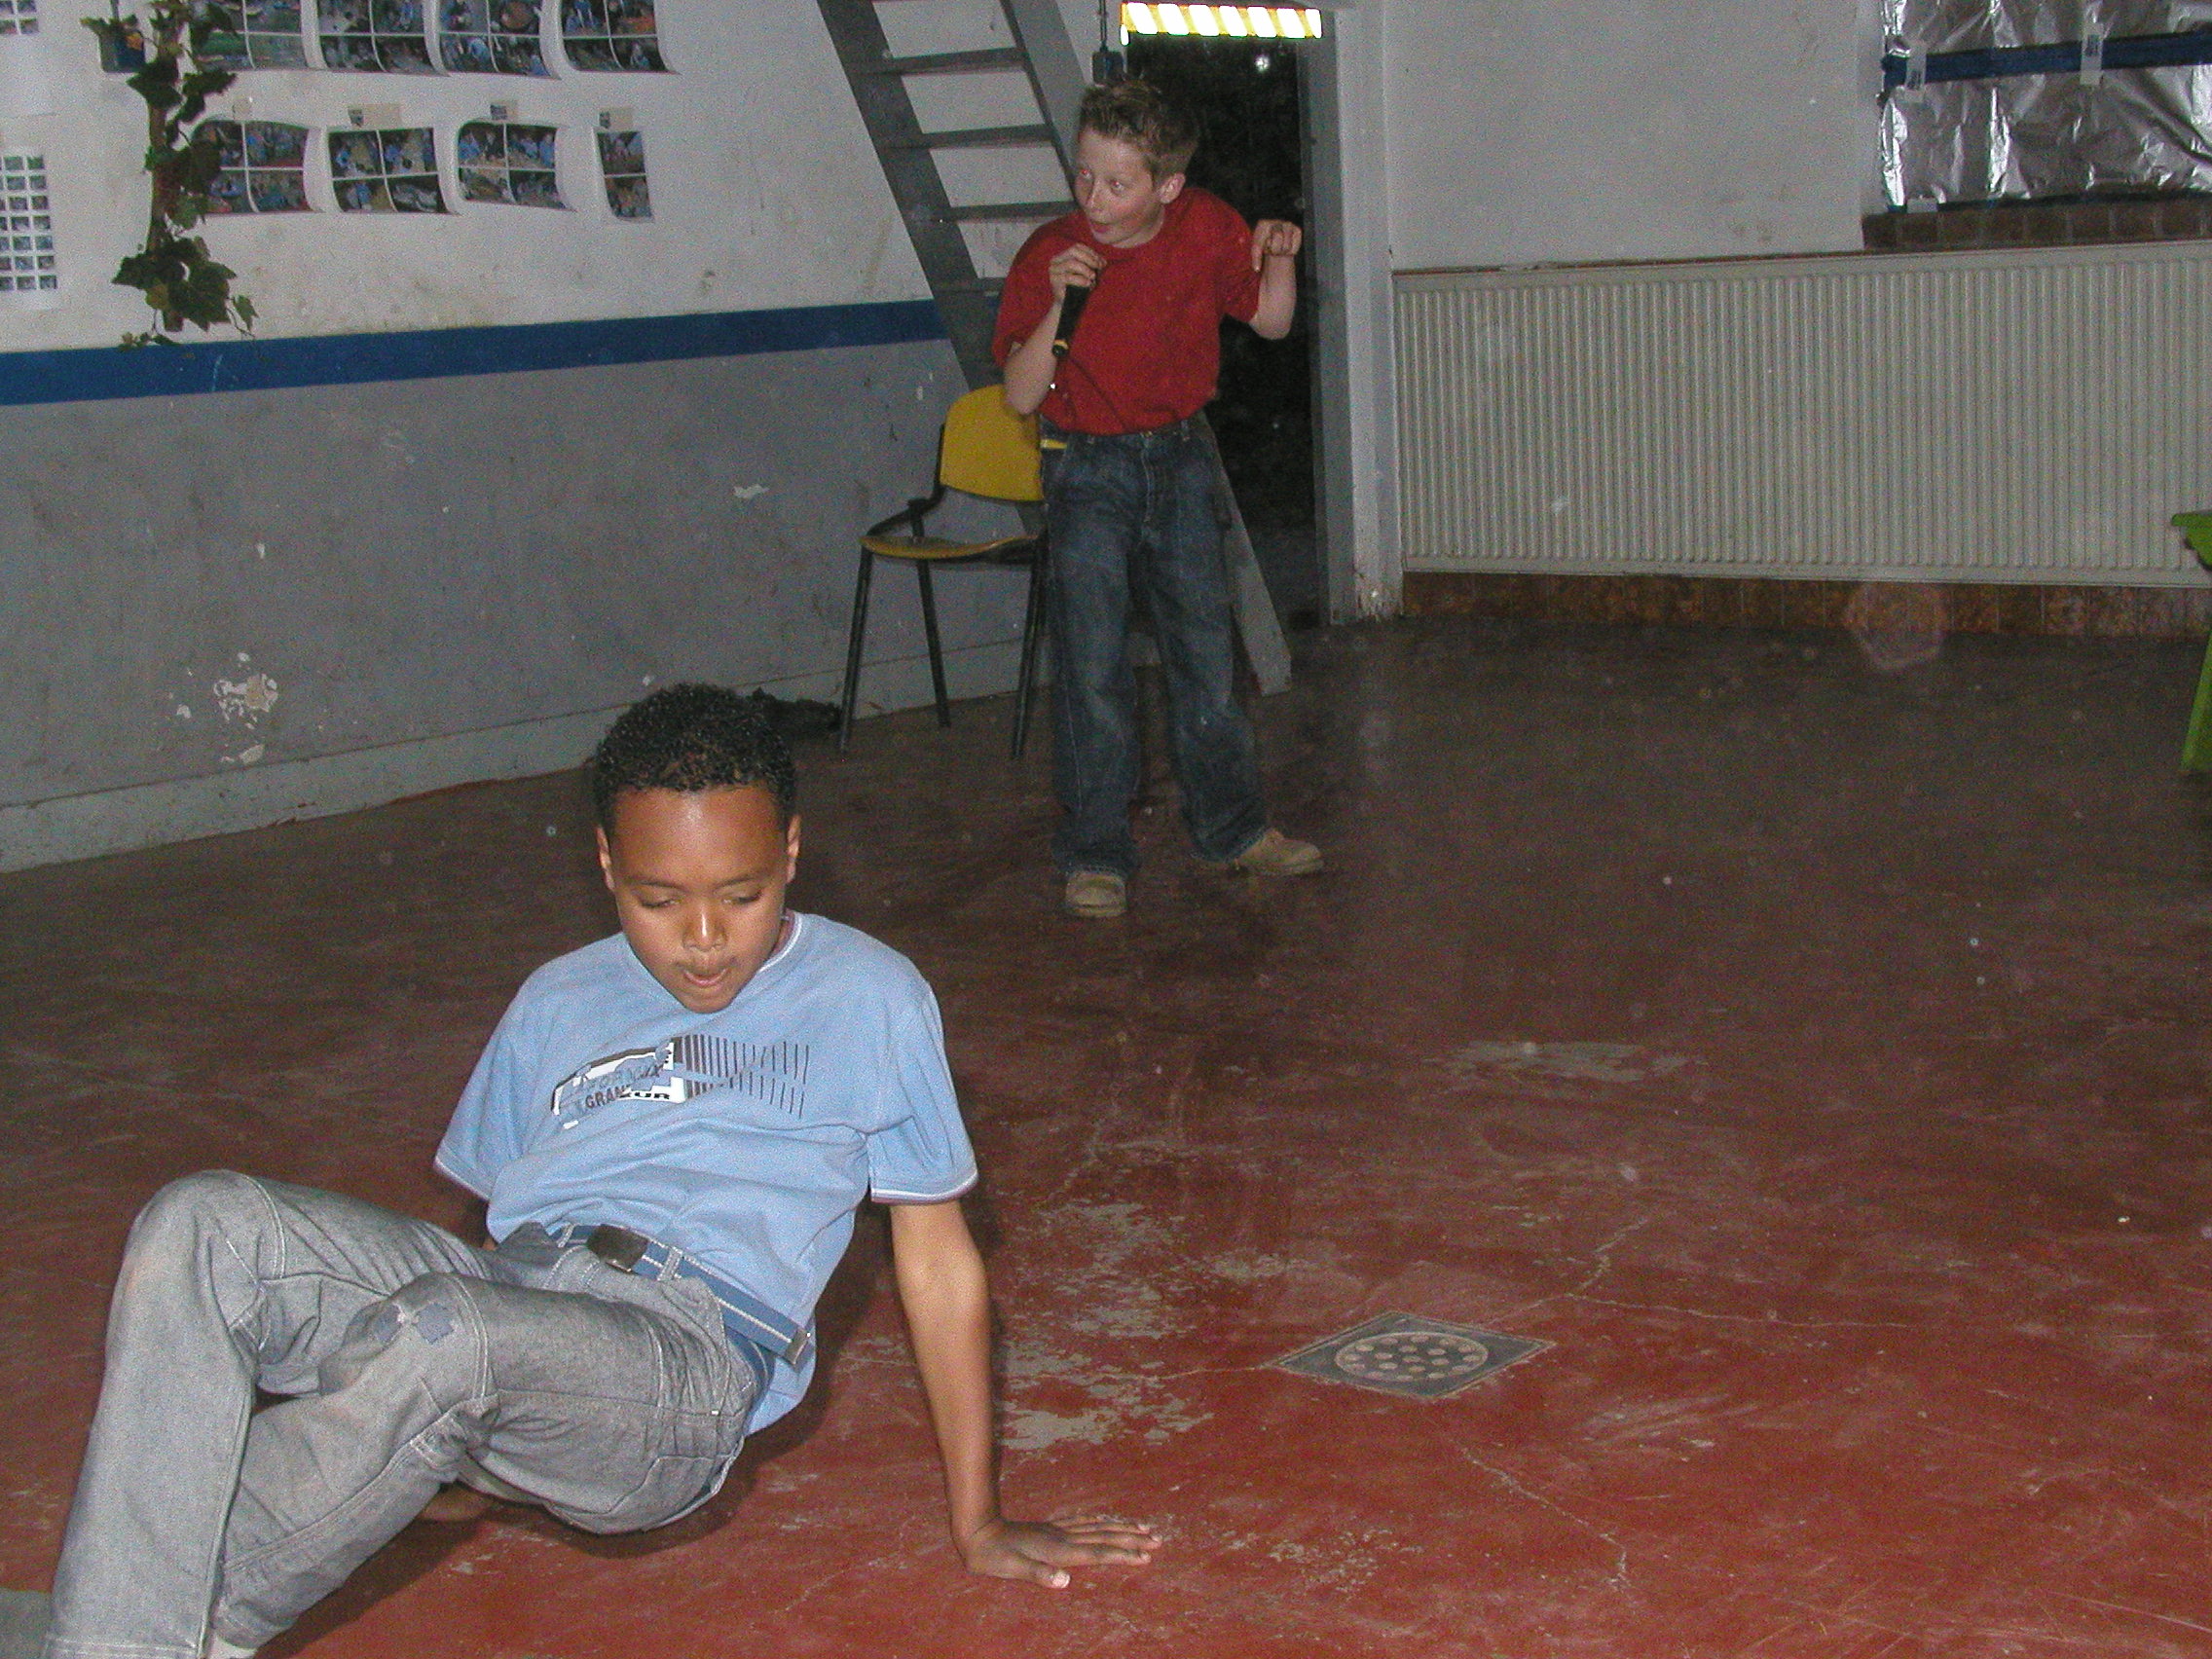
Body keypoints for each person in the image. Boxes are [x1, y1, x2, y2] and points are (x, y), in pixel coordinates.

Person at [39, 683, 1159, 1659]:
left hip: (684, 1359)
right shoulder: (556, 999)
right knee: (203, 1225)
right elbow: (488, 1239)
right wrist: (444, 1440)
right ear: (608, 866)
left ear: (791, 855)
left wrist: (978, 1520)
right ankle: (120, 1631)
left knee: (449, 1334)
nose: (704, 938)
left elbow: (939, 1262)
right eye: (658, 901)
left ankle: (136, 1637)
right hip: (521, 1299)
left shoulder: (870, 996)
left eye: (743, 894)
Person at [995, 78, 1322, 920]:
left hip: (1180, 458)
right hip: (1084, 468)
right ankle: (1095, 854)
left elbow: (1273, 322)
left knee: (1207, 660)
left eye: (1117, 183)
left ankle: (1234, 830)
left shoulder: (1207, 227)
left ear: (1169, 186)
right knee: (1092, 667)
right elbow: (1022, 395)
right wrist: (1062, 304)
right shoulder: (1050, 254)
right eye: (1083, 176)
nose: (1093, 199)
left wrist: (1280, 256)